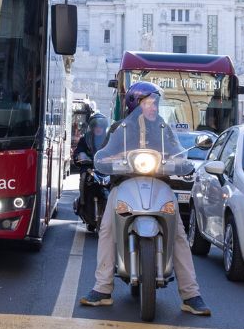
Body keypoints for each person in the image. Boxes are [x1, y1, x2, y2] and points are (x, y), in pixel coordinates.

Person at [79, 82, 211, 316]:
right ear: (135, 104)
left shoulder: (163, 129)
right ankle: (102, 288)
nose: (153, 107)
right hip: (123, 184)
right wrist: (108, 161)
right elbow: (106, 154)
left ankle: (191, 295)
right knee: (107, 228)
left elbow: (176, 151)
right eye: (149, 102)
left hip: (160, 184)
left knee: (179, 233)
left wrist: (181, 161)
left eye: (155, 103)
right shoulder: (119, 129)